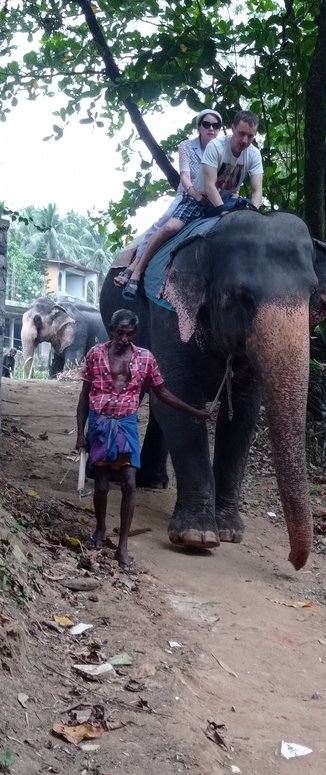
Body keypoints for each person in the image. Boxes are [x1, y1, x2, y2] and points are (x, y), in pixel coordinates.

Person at [75, 309, 209, 570]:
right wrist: (81, 432)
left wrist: (193, 411)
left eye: (129, 333)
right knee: (101, 485)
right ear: (111, 329)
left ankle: (122, 546)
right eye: (119, 332)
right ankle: (100, 529)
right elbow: (84, 396)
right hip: (100, 425)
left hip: (126, 425)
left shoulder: (145, 358)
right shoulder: (94, 355)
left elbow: (162, 392)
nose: (124, 338)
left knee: (129, 481)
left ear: (134, 333)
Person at [119, 110, 263, 300]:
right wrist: (224, 213)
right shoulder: (216, 147)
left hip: (228, 200)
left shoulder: (253, 154)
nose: (245, 140)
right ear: (233, 129)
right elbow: (210, 186)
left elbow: (256, 191)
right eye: (241, 134)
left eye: (250, 136)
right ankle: (138, 271)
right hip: (201, 200)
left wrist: (254, 214)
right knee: (171, 227)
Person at [115, 108, 223, 297]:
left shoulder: (222, 150)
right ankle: (135, 266)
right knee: (165, 223)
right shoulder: (187, 147)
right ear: (199, 127)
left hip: (212, 199)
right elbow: (185, 176)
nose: (211, 129)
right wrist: (195, 194)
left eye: (216, 125)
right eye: (206, 124)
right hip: (188, 195)